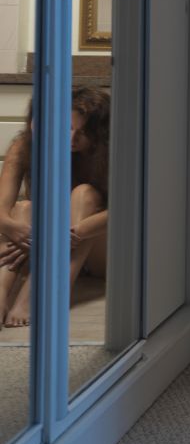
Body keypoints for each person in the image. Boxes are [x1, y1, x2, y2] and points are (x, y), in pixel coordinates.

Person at [0, 86, 110, 327]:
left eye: (83, 132)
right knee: (22, 209)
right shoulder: (23, 146)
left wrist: (66, 234)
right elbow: (2, 210)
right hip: (45, 244)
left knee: (84, 194)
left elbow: (126, 210)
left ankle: (47, 291)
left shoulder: (112, 153)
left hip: (97, 251)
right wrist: (16, 228)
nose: (72, 139)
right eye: (68, 128)